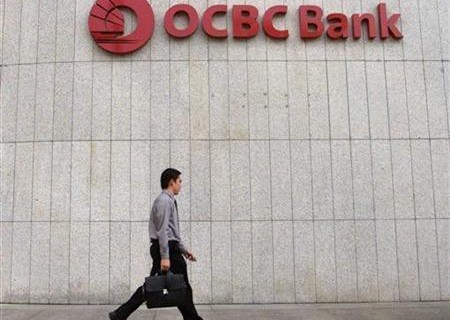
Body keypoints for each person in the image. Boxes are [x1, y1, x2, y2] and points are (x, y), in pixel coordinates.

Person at [109, 168, 204, 320]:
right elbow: (162, 231)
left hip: (170, 248)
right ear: (171, 182)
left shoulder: (169, 201)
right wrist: (165, 256)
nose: (181, 185)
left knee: (154, 287)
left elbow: (172, 231)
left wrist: (184, 250)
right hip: (166, 250)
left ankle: (119, 314)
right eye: (179, 181)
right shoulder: (163, 201)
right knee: (182, 287)